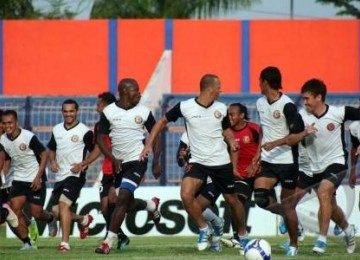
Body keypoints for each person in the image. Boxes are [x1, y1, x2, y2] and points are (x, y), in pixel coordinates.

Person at [140, 74, 249, 252]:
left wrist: (231, 141)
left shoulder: (221, 108)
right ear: (209, 89)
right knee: (185, 194)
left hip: (220, 162)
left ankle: (243, 236)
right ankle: (204, 228)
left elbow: (227, 131)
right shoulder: (185, 107)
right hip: (198, 161)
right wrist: (148, 145)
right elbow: (161, 122)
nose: (221, 90)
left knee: (232, 200)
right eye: (219, 87)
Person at [264, 78, 359, 254]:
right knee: (291, 205)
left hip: (335, 163)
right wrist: (304, 132)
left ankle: (321, 241)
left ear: (319, 97)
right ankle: (347, 230)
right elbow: (290, 139)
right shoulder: (301, 116)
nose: (304, 102)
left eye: (307, 98)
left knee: (324, 193)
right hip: (309, 169)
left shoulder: (339, 113)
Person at [95, 78, 161, 254]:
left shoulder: (144, 112)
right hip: (118, 163)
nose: (139, 93)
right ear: (125, 92)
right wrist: (112, 158)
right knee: (119, 202)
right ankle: (150, 205)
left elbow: (156, 135)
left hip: (137, 161)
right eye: (136, 90)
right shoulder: (109, 112)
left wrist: (155, 161)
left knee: (123, 196)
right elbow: (100, 138)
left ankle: (107, 242)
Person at [253, 66, 304, 257]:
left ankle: (293, 245)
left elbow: (296, 135)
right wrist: (258, 153)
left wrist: (274, 144)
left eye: (260, 81)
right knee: (260, 198)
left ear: (266, 82)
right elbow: (263, 128)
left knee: (288, 204)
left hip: (287, 162)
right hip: (268, 161)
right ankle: (288, 218)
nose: (258, 84)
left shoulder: (287, 105)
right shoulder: (260, 102)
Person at [0, 110, 55, 250]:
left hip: (34, 177)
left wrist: (38, 177)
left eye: (10, 123)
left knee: (37, 213)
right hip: (18, 178)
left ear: (16, 122)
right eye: (5, 123)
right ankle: (27, 243)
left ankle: (50, 218)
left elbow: (44, 154)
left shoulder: (28, 136)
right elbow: (6, 159)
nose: (8, 126)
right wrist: (3, 177)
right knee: (15, 211)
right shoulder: (3, 139)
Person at [47, 99, 95, 252]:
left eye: (71, 111)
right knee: (56, 212)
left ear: (77, 111)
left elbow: (96, 150)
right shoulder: (56, 129)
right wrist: (53, 161)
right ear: (62, 112)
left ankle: (64, 243)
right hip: (60, 176)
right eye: (65, 111)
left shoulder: (84, 131)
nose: (68, 114)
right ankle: (83, 219)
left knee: (63, 206)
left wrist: (83, 164)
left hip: (75, 175)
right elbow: (52, 148)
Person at [177, 132, 224, 252]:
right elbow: (180, 161)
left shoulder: (214, 131)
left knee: (196, 207)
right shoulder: (186, 136)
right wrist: (182, 157)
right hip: (196, 176)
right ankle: (216, 227)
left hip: (214, 177)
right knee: (192, 206)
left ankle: (212, 231)